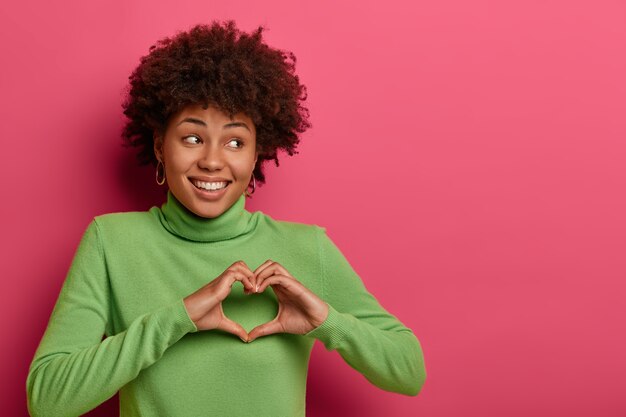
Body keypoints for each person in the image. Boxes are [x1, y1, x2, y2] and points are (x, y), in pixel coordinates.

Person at [26, 20, 426, 417]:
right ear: (160, 146)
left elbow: (409, 372)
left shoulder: (308, 247)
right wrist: (175, 320)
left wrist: (327, 321)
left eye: (235, 142)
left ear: (256, 155)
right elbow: (46, 401)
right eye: (193, 138)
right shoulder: (110, 242)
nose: (213, 161)